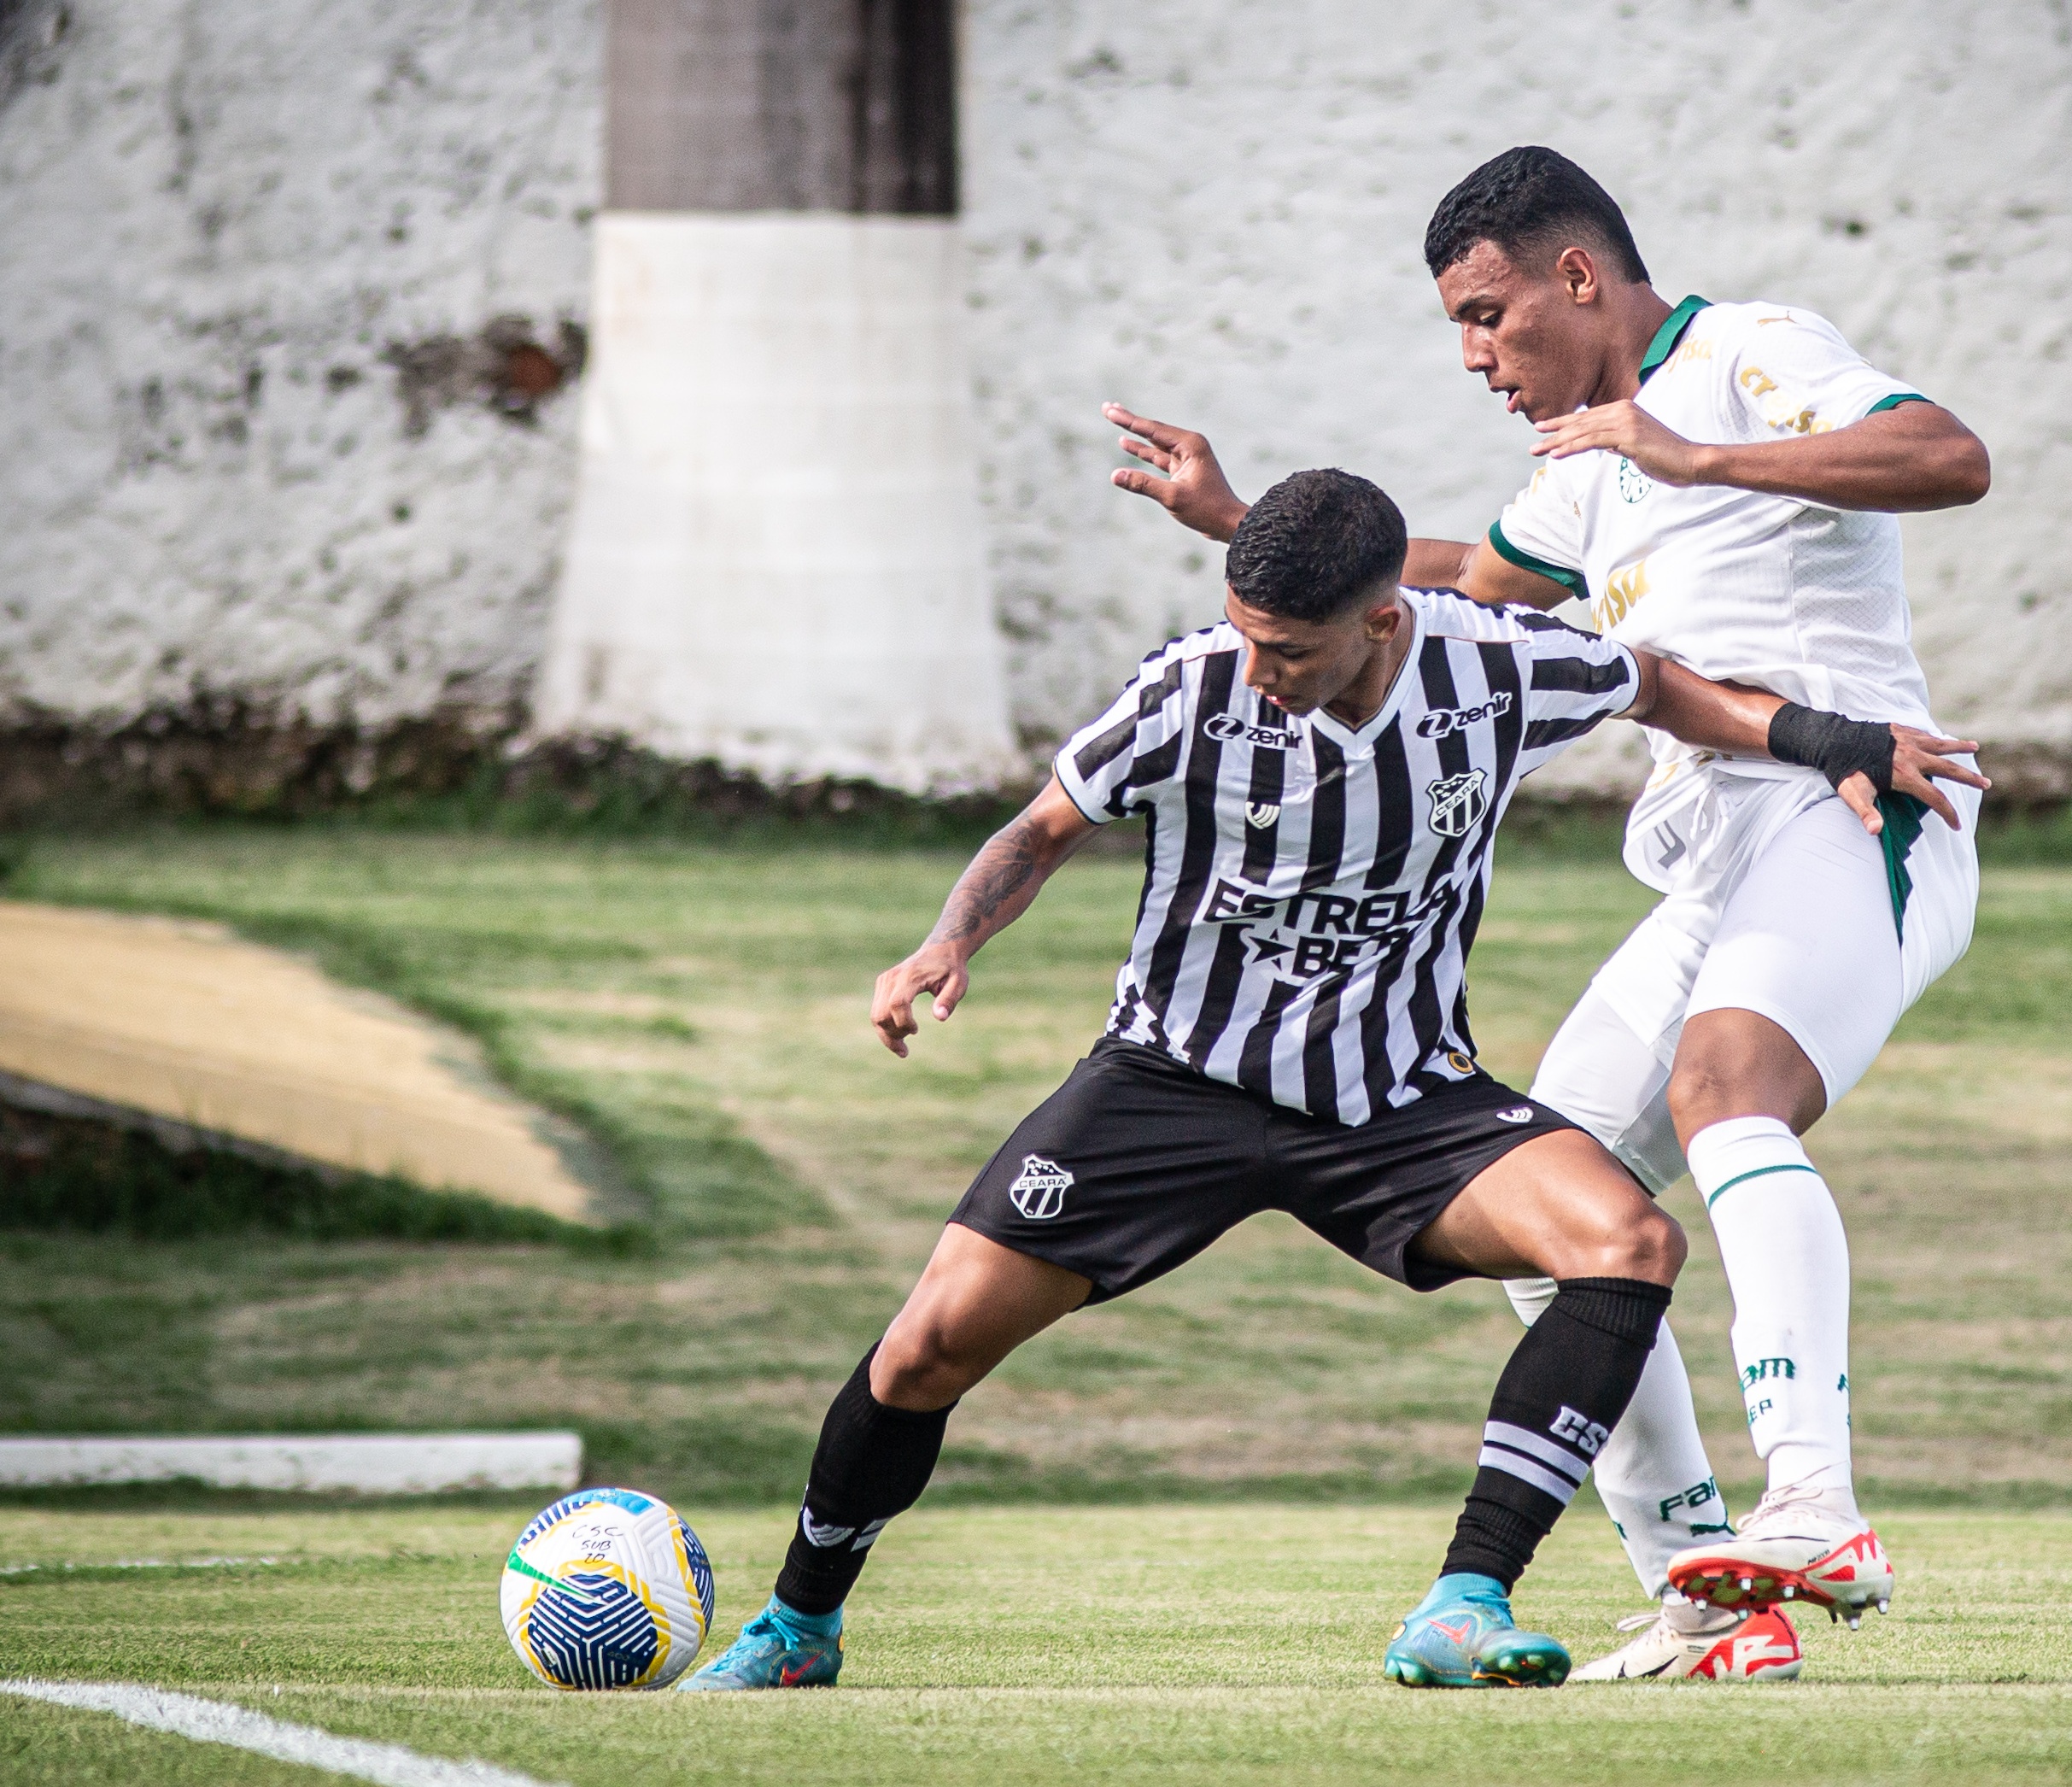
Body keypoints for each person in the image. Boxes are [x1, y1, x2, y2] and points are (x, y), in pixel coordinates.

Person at [682, 467, 1922, 1693]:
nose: (1255, 665)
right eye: (1241, 630)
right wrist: (948, 938)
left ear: (1381, 621)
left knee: (1627, 1242)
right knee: (923, 1352)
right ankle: (797, 1627)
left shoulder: (1492, 665)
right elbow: (1044, 826)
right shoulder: (1188, 689)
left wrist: (1826, 737)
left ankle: (1465, 1599)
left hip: (1396, 1097)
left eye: (1285, 648)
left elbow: (1649, 683)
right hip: (1170, 1084)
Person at [1106, 145, 1993, 1683]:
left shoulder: (1744, 356)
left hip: (1853, 809)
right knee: (1560, 1205)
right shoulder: (1586, 457)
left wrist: (1695, 457)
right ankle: (1710, 1595)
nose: (1473, 356)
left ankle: (1817, 1505)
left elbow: (1944, 454)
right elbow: (1471, 579)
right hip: (1714, 851)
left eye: (1485, 314)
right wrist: (1240, 518)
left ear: (1575, 277)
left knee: (1723, 1091)